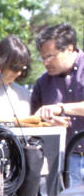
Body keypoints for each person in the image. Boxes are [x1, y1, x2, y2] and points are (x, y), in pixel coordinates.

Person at [31, 23, 84, 187]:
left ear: (69, 48)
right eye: (43, 57)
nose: (46, 63)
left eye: (51, 56)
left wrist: (61, 108)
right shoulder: (42, 83)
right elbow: (32, 122)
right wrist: (46, 123)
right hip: (63, 163)